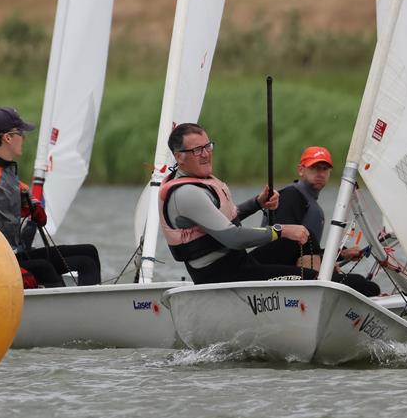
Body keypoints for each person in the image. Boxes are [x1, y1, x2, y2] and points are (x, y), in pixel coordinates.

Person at [0, 106, 101, 287]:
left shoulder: (5, 168)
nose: (24, 138)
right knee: (44, 268)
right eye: (20, 133)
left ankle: (90, 308)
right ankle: (66, 312)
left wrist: (31, 206)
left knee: (88, 255)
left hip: (12, 254)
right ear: (8, 138)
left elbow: (13, 195)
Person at [158, 122, 320, 284]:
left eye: (208, 146)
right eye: (197, 150)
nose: (206, 154)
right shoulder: (186, 193)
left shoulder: (198, 181)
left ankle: (312, 294)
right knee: (312, 278)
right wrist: (280, 230)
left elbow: (225, 219)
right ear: (179, 157)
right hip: (222, 278)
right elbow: (233, 237)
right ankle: (313, 287)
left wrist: (257, 203)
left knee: (305, 237)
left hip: (239, 264)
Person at [250, 146, 380, 297]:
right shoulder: (291, 196)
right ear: (301, 170)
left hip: (298, 272)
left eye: (325, 169)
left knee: (367, 286)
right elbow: (285, 247)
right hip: (272, 274)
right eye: (314, 168)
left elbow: (306, 251)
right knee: (362, 285)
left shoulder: (311, 204)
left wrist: (341, 255)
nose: (320, 173)